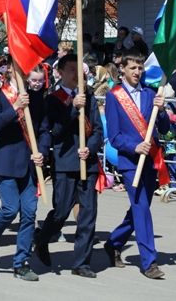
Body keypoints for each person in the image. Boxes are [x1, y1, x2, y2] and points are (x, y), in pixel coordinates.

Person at [34, 54, 104, 278]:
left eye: (79, 69)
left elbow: (98, 131)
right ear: (60, 72)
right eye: (71, 69)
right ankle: (42, 238)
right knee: (61, 211)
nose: (76, 74)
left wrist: (90, 148)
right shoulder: (53, 99)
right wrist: (72, 108)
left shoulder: (89, 97)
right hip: (65, 162)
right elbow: (56, 130)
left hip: (87, 163)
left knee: (88, 214)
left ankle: (81, 262)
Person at [104, 50, 170, 279]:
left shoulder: (151, 93)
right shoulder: (114, 96)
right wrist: (134, 147)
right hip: (130, 162)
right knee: (141, 208)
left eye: (140, 68)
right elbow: (114, 135)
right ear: (122, 69)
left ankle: (114, 242)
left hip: (151, 160)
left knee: (139, 209)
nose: (137, 72)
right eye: (133, 68)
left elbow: (164, 129)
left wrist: (162, 111)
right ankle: (149, 262)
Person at [0, 59, 45, 282]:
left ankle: (21, 263)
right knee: (9, 209)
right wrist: (15, 108)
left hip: (28, 163)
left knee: (29, 212)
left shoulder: (36, 98)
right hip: (6, 162)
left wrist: (41, 151)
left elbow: (43, 130)